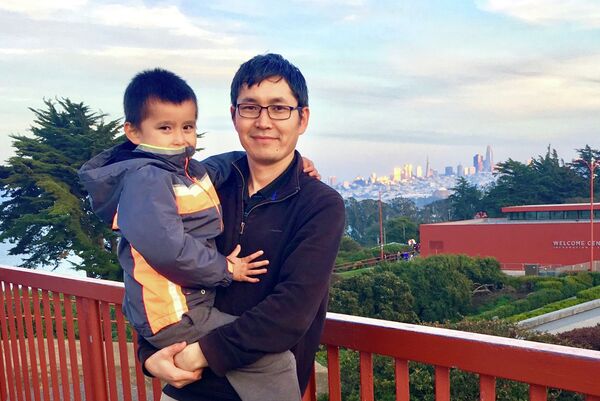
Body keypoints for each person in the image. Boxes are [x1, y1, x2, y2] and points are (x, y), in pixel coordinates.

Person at [78, 68, 314, 401]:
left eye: (187, 127)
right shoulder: (146, 180)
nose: (180, 139)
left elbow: (219, 166)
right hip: (179, 316)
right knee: (274, 365)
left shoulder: (183, 172)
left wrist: (293, 163)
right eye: (165, 128)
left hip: (184, 314)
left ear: (302, 118)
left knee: (267, 364)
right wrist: (226, 269)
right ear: (132, 132)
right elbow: (168, 250)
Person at [138, 53, 346, 401]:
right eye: (250, 107)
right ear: (234, 114)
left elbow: (291, 311)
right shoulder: (202, 188)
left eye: (279, 108)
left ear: (302, 118)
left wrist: (200, 353)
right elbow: (154, 268)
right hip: (185, 390)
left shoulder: (320, 205)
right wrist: (148, 355)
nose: (264, 121)